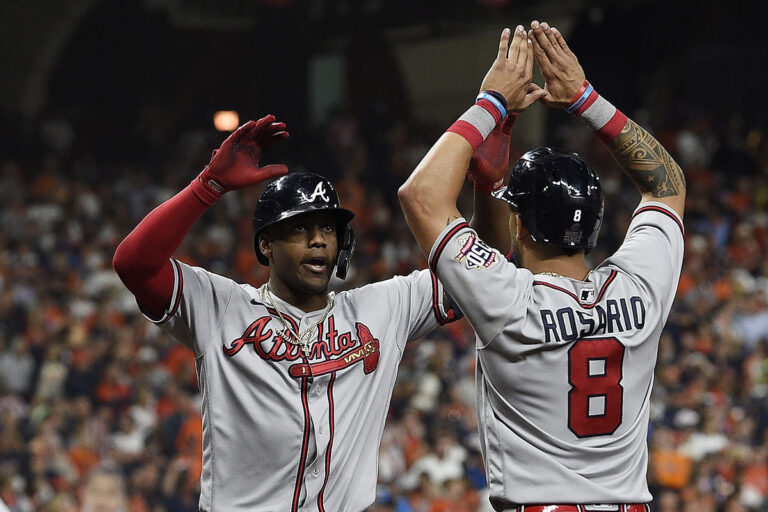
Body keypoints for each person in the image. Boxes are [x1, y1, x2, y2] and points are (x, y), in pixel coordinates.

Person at [398, 21, 685, 512]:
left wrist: (491, 103)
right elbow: (666, 183)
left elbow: (420, 194)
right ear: (596, 223)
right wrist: (585, 97)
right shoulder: (640, 288)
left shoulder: (510, 301)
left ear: (521, 227)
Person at [112, 116, 457, 511]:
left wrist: (487, 186)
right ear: (266, 245)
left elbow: (477, 277)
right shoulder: (221, 306)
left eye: (327, 228)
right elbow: (133, 264)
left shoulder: (383, 308)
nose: (318, 241)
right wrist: (207, 186)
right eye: (299, 229)